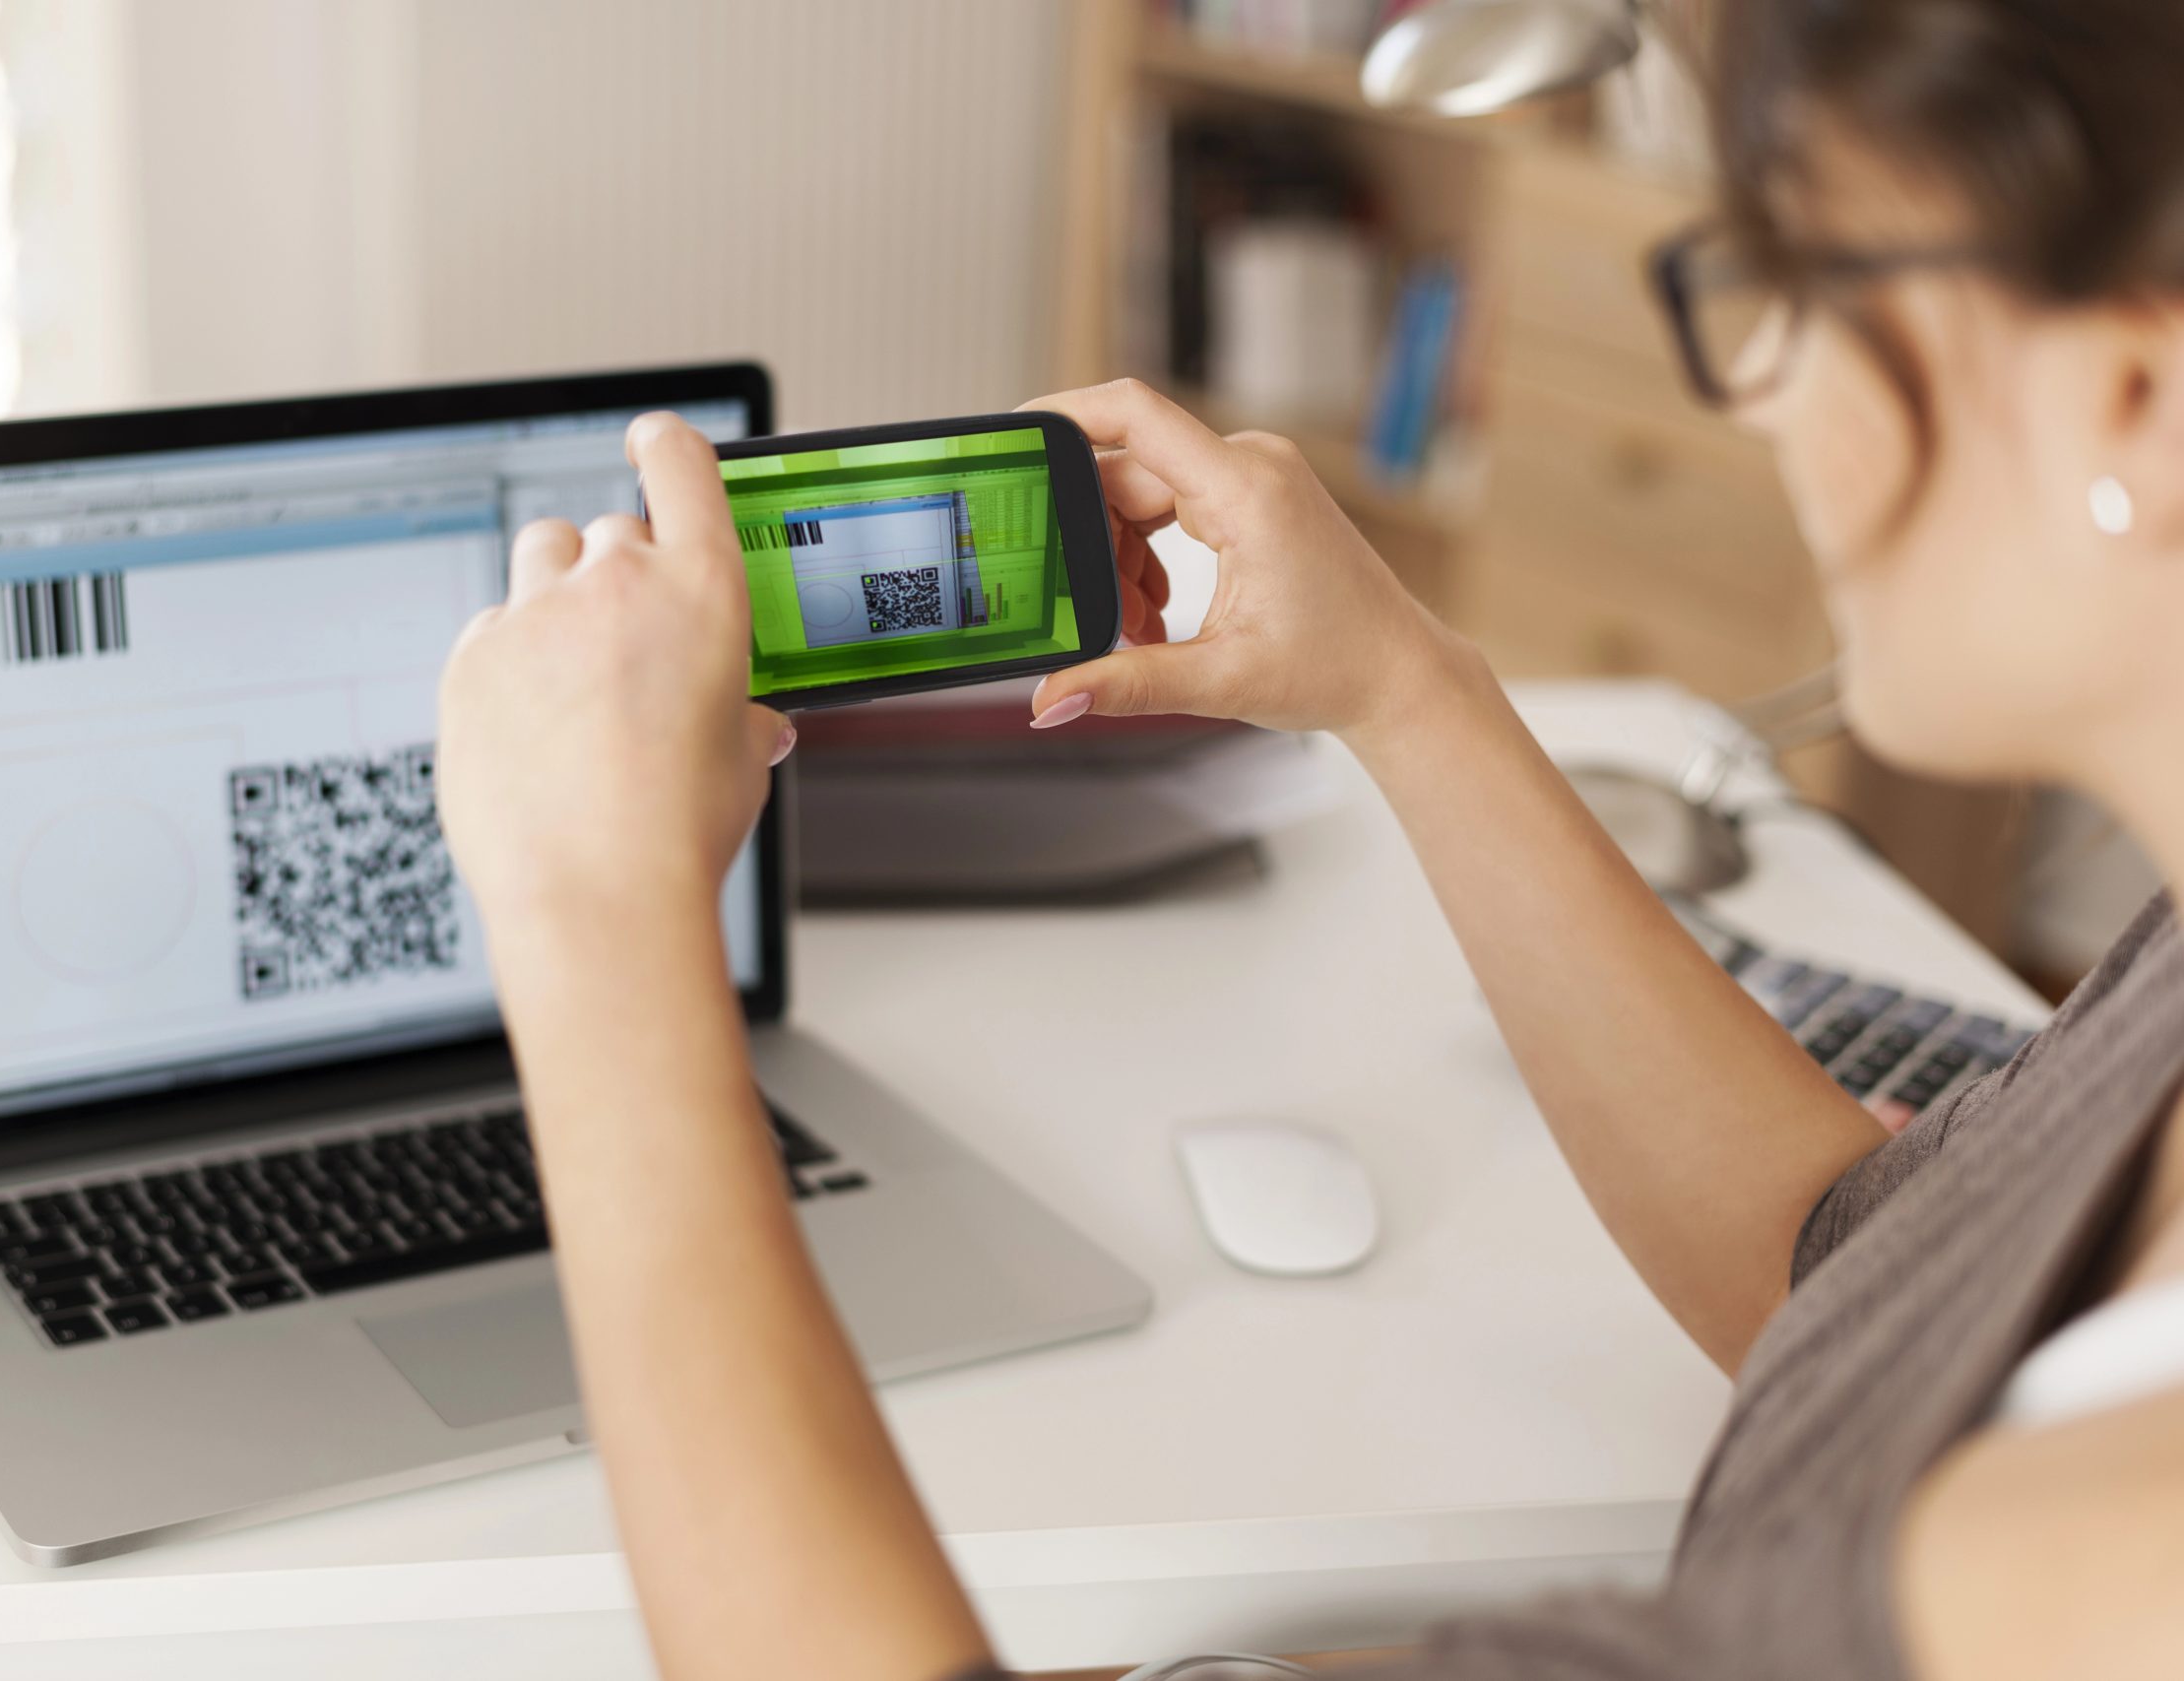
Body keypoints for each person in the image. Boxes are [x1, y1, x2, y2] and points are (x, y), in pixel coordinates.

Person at [430, 0, 2184, 1675]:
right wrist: (1403, 687)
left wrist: (594, 916)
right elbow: (1847, 1277)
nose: (1760, 389)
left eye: (1801, 283)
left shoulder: (2120, 1562)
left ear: (2135, 397)